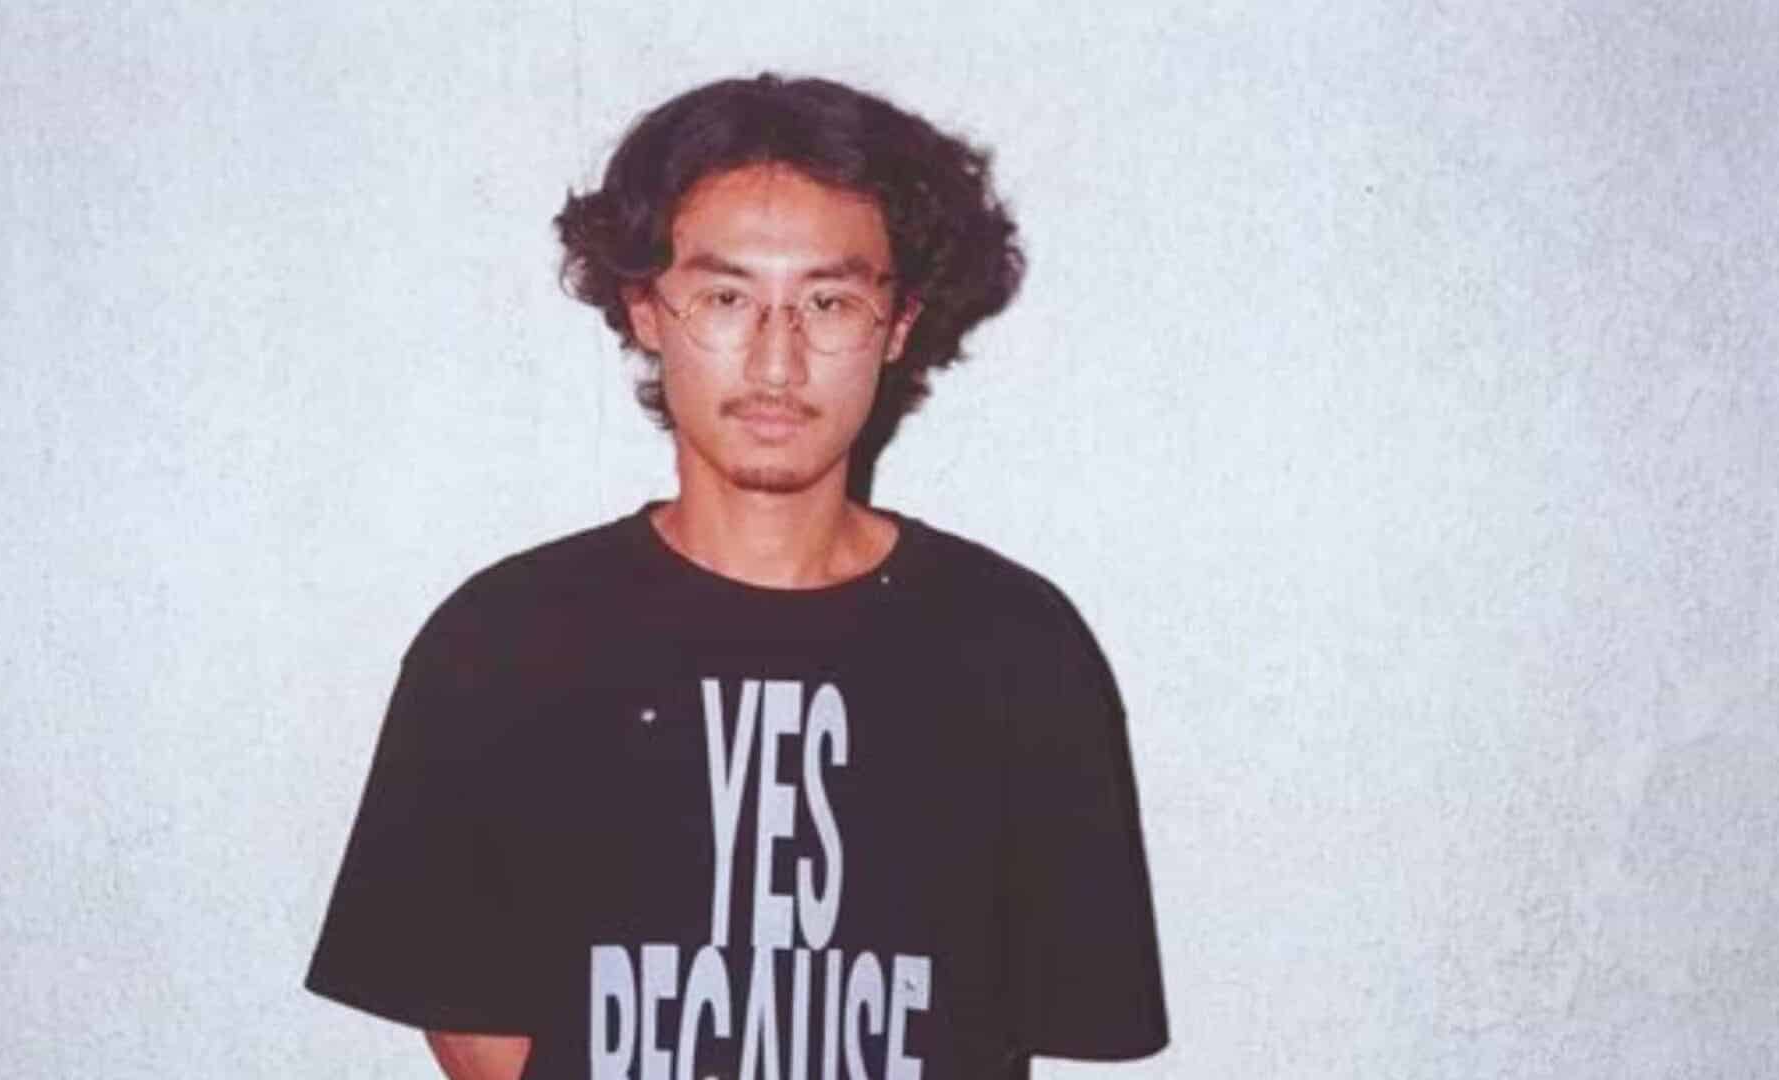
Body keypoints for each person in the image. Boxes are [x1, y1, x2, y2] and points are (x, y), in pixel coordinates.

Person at [307, 72, 1167, 1080]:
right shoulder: (503, 641)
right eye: (726, 298)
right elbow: (471, 1022)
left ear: (897, 323)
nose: (775, 363)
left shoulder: (1016, 649)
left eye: (829, 301)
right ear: (645, 308)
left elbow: (1044, 1019)